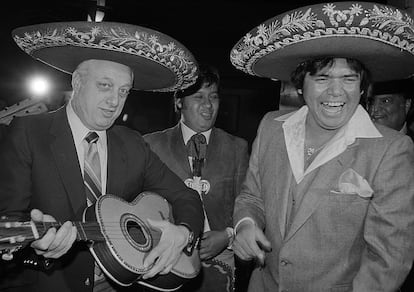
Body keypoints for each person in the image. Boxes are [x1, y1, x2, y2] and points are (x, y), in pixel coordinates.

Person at [0, 21, 204, 292]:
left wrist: (184, 233)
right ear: (77, 81)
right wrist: (37, 248)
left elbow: (186, 196)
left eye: (123, 91)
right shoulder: (28, 132)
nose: (114, 101)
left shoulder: (132, 143)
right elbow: (7, 219)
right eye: (105, 85)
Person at [229, 2, 414, 291]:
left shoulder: (391, 150)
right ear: (301, 86)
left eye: (349, 79)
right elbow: (252, 196)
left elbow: (390, 258)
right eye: (323, 78)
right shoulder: (271, 126)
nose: (336, 92)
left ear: (363, 88)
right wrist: (246, 224)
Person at [144, 63, 249, 292]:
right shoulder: (151, 145)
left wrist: (228, 236)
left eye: (213, 96)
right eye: (199, 96)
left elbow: (248, 204)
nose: (208, 105)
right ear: (179, 101)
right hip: (165, 257)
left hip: (221, 261)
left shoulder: (237, 148)